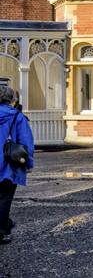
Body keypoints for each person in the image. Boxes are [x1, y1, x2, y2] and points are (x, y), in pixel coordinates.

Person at [0, 86, 33, 245]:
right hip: (8, 163)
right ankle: (2, 231)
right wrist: (29, 162)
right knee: (4, 197)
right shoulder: (17, 117)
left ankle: (5, 223)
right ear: (11, 99)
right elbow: (25, 142)